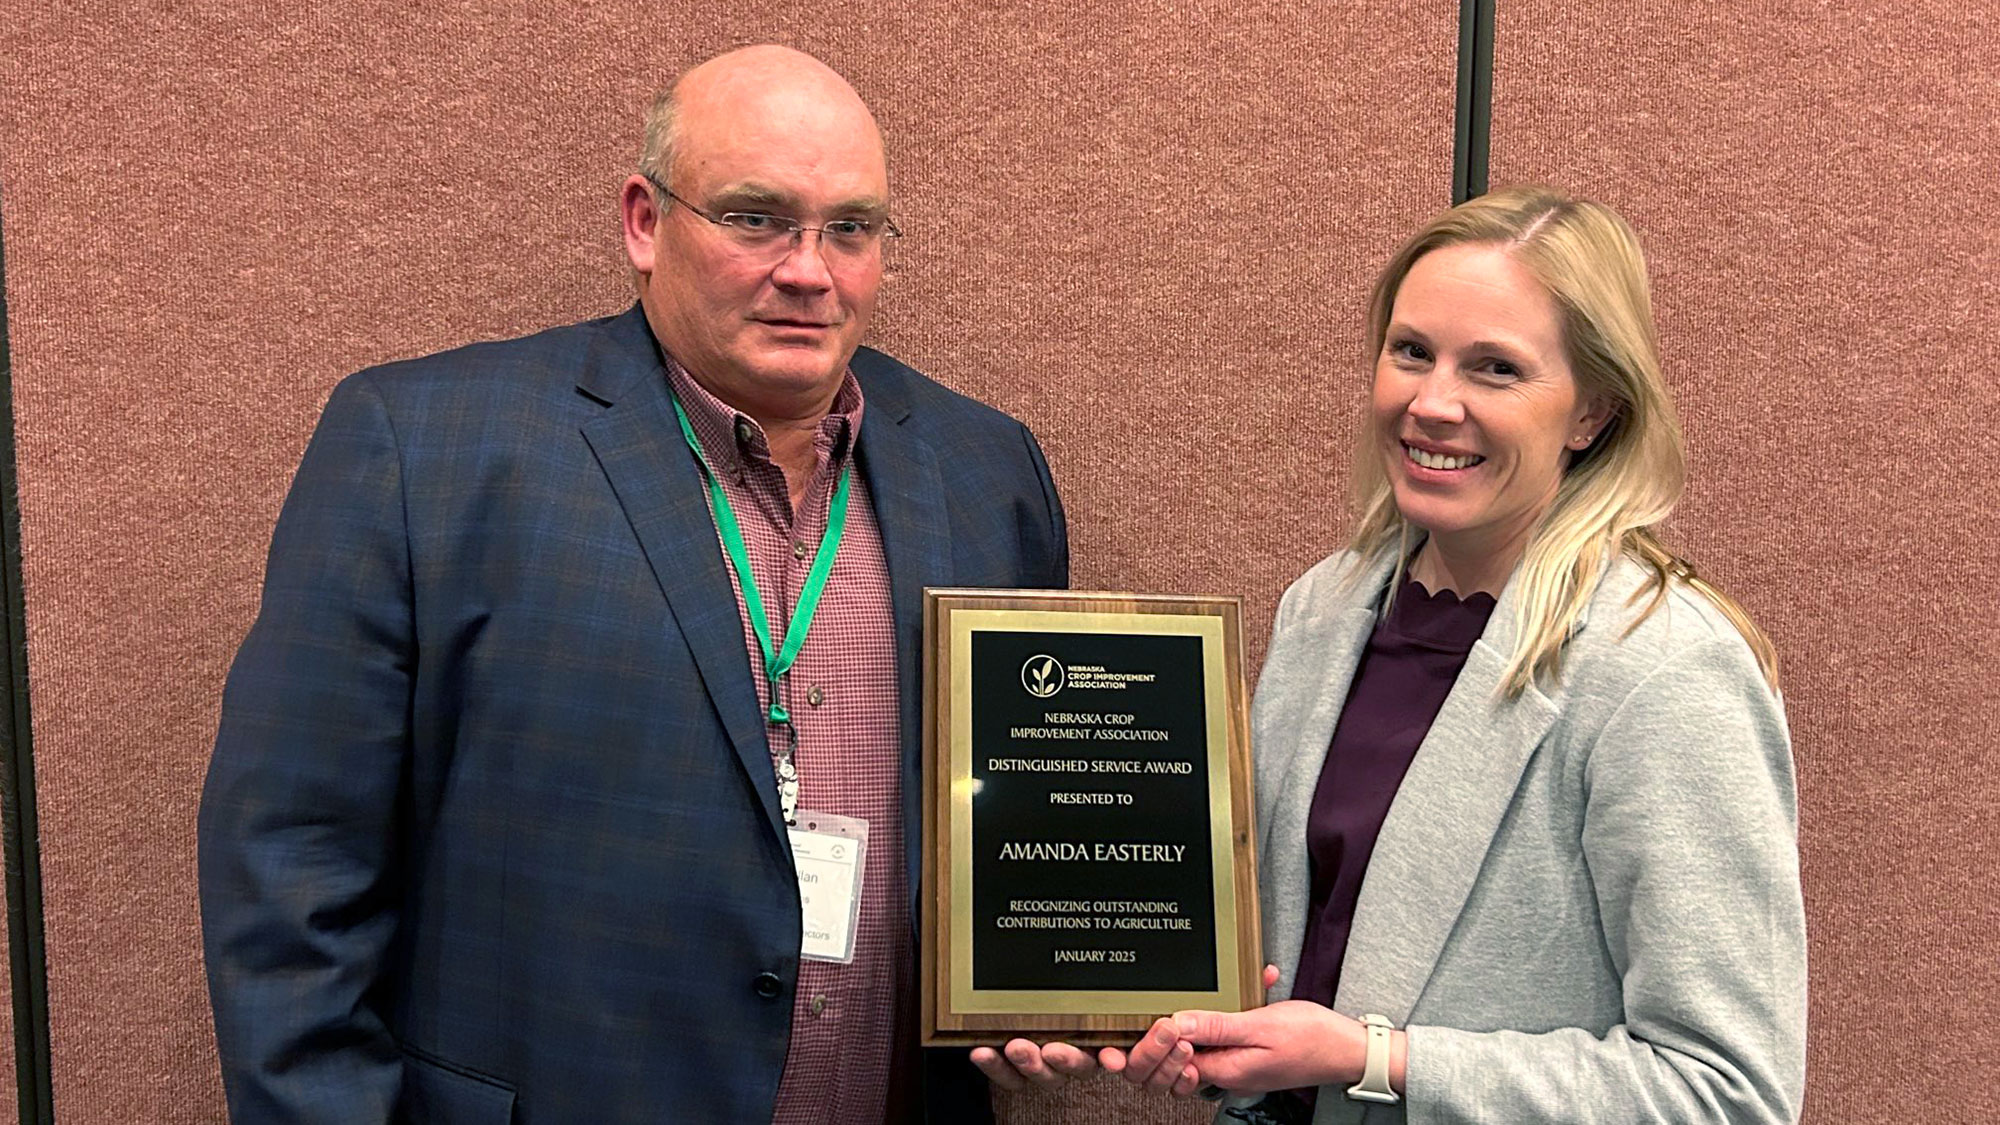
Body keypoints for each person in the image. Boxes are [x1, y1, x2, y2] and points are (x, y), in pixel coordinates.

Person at [198, 45, 1067, 1124]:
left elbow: (1032, 807)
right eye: (756, 218)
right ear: (644, 222)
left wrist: (1071, 976)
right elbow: (294, 865)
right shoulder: (426, 448)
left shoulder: (988, 472)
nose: (810, 269)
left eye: (850, 227)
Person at [979, 186, 1806, 1123]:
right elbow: (1262, 954)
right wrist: (1082, 998)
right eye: (1412, 351)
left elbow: (1729, 1091)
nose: (1432, 402)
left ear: (1593, 412)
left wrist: (1377, 1057)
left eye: (1495, 368)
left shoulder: (1664, 668)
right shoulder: (1323, 611)